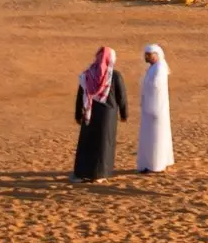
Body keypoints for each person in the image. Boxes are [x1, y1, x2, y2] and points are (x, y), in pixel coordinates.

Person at [71, 46, 128, 182]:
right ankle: (100, 174)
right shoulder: (115, 76)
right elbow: (122, 97)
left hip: (89, 115)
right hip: (107, 117)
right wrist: (124, 114)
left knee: (87, 144)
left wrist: (78, 114)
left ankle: (82, 173)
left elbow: (80, 96)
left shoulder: (87, 75)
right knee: (103, 145)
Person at [137, 44, 173, 173]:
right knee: (149, 137)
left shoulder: (160, 67)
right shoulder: (153, 68)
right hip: (149, 107)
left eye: (149, 54)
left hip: (156, 108)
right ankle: (149, 163)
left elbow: (157, 86)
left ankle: (156, 165)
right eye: (146, 54)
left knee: (157, 136)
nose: (146, 57)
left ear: (156, 55)